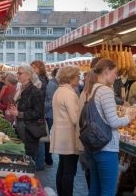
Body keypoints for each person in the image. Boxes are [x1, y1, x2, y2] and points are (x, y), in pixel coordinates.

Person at [78, 58, 136, 196]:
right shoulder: (105, 91)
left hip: (93, 146)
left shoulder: (90, 89)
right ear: (106, 71)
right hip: (106, 147)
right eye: (115, 73)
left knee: (95, 189)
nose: (116, 77)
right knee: (108, 191)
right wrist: (129, 118)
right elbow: (114, 122)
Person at [50, 66, 80, 196]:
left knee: (62, 168)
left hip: (61, 136)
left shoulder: (59, 91)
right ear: (70, 77)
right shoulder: (69, 93)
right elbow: (75, 119)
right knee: (69, 171)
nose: (79, 78)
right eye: (78, 76)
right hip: (69, 137)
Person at [9, 65, 44, 159]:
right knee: (23, 157)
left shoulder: (35, 91)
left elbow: (39, 113)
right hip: (21, 128)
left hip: (29, 131)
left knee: (29, 158)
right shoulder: (22, 89)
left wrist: (19, 114)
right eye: (17, 73)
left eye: (20, 73)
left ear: (28, 75)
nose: (17, 75)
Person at [31, 60, 49, 170]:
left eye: (35, 68)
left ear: (40, 68)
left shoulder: (40, 80)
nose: (33, 70)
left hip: (38, 112)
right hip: (38, 111)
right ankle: (39, 162)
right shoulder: (39, 79)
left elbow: (38, 96)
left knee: (39, 138)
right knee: (37, 137)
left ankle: (39, 163)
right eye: (31, 67)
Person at [44, 67, 60, 166]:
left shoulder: (55, 84)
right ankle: (48, 158)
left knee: (48, 136)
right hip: (49, 114)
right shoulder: (52, 84)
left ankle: (48, 157)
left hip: (51, 114)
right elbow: (49, 101)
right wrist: (44, 112)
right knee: (47, 137)